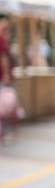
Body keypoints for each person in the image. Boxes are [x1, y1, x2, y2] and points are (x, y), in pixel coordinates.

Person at [0, 13, 18, 145]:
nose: (8, 25)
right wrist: (6, 74)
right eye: (7, 22)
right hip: (2, 76)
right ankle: (4, 134)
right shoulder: (1, 37)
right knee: (6, 106)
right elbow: (3, 57)